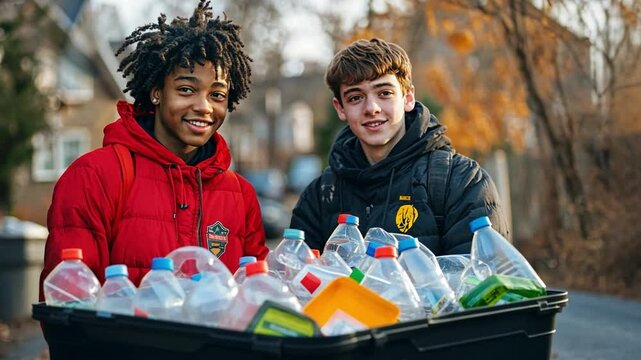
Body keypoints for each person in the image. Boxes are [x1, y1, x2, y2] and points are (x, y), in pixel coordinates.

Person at [39, 0, 268, 293]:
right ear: (157, 92)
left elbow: (257, 299)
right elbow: (67, 302)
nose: (204, 107)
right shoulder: (94, 177)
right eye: (186, 89)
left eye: (217, 95)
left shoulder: (241, 195)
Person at [290, 38, 508, 255]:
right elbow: (298, 280)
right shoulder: (321, 196)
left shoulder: (462, 183)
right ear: (340, 108)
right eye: (356, 97)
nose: (372, 108)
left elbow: (481, 280)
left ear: (408, 98)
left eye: (384, 93)